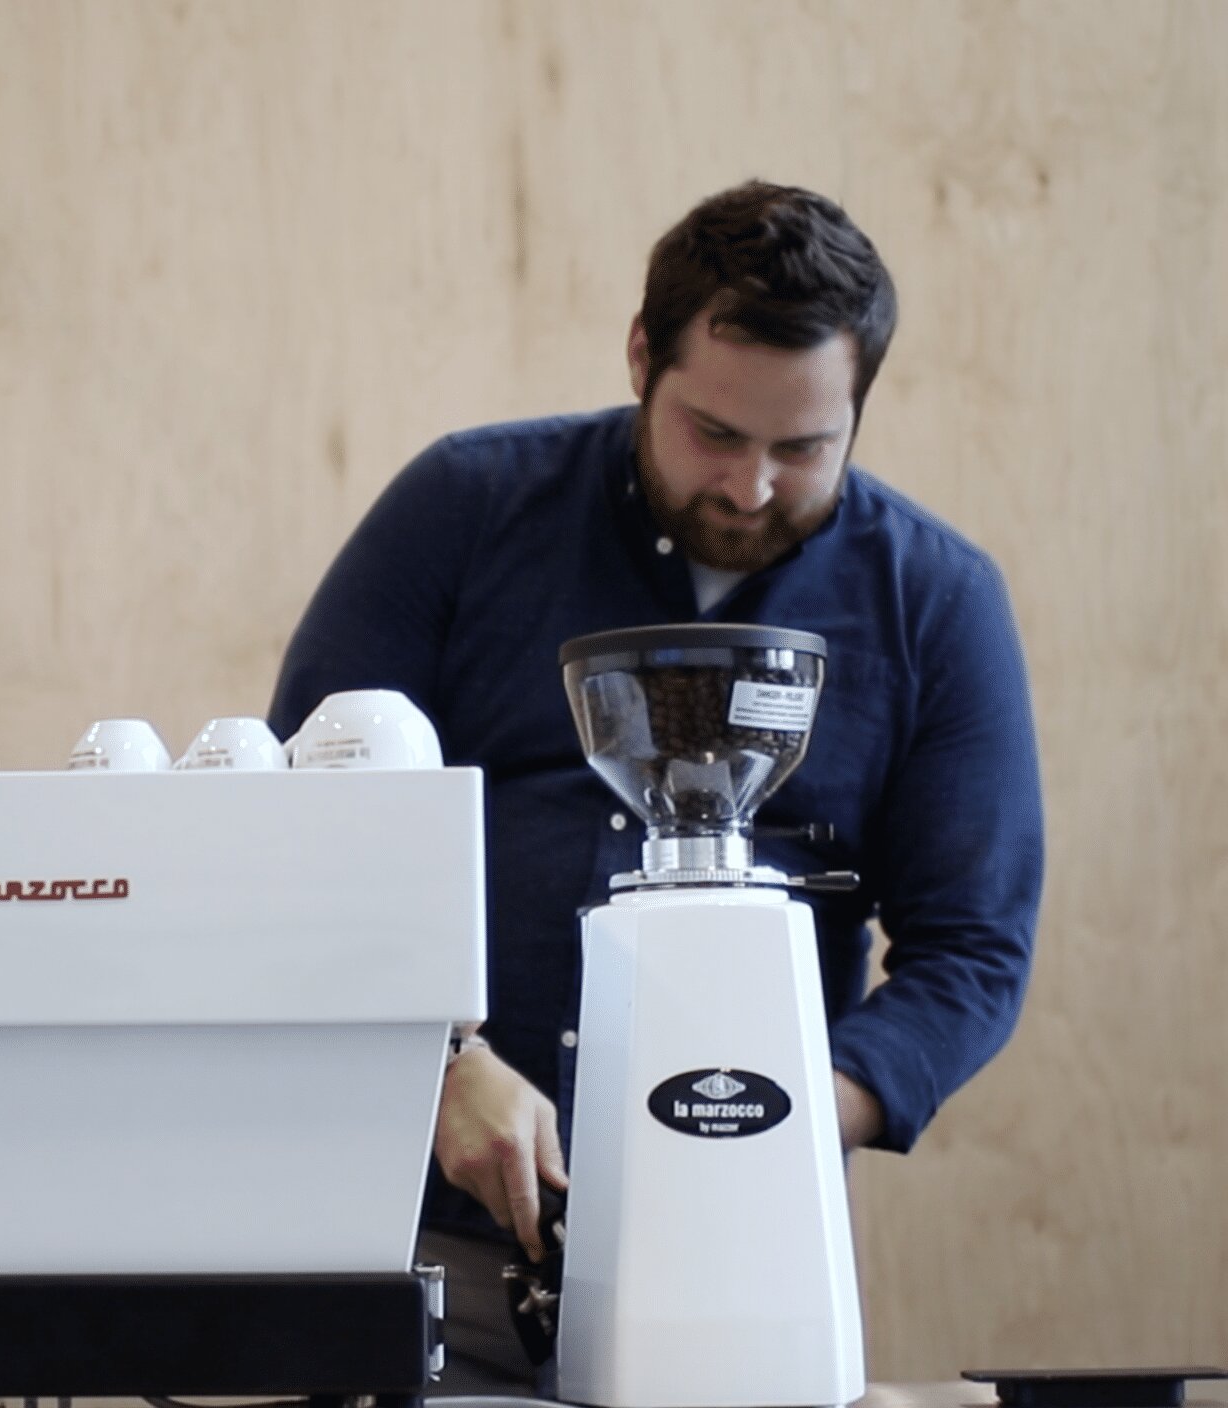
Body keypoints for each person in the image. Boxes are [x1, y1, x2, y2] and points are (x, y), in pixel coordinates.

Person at [266, 180, 1046, 1392]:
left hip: (745, 1266)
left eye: (803, 449)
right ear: (641, 356)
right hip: (430, 1257)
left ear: (859, 407)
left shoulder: (936, 602)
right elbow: (296, 832)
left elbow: (971, 953)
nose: (749, 487)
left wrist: (762, 1122)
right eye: (715, 434)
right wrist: (438, 1063)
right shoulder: (465, 509)